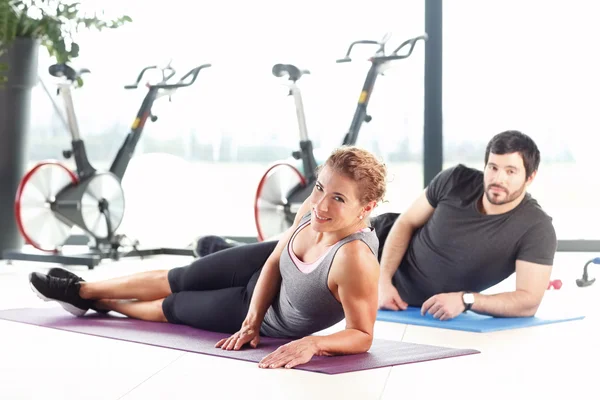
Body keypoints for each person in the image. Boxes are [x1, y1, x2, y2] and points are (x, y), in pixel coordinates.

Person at [28, 145, 387, 370]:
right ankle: (81, 290)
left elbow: (361, 334)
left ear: (365, 207)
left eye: (338, 198)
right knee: (182, 276)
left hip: (274, 318)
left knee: (174, 306)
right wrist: (251, 318)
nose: (321, 205)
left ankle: (105, 303)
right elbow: (277, 258)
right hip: (262, 271)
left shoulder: (354, 259)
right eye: (320, 187)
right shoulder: (314, 207)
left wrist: (313, 342)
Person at [194, 130, 557, 321]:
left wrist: (466, 300)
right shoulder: (457, 180)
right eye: (493, 167)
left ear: (530, 177)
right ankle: (220, 251)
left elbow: (529, 301)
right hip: (372, 243)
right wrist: (383, 280)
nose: (498, 178)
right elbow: (405, 224)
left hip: (374, 284)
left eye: (511, 171)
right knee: (278, 257)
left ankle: (220, 258)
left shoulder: (535, 227)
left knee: (282, 283)